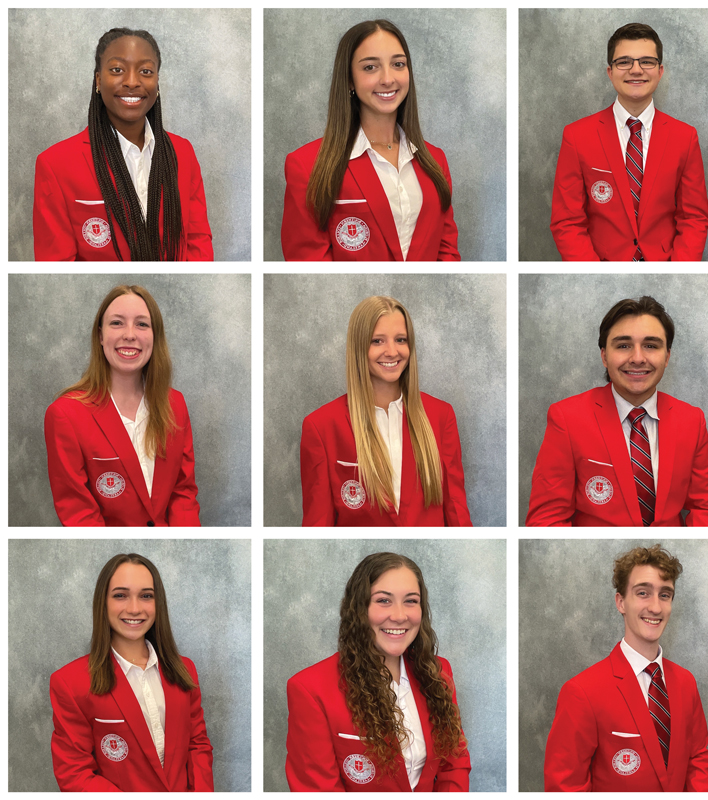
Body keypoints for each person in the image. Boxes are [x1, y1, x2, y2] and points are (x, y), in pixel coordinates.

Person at [526, 296, 708, 526]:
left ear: (667, 356)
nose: (637, 358)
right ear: (604, 356)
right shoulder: (566, 418)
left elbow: (705, 506)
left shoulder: (692, 420)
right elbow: (547, 520)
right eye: (623, 346)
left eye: (650, 345)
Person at [286, 552, 470, 791]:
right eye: (384, 600)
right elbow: (317, 791)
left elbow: (453, 764)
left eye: (411, 601)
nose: (399, 615)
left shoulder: (438, 671)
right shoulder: (310, 689)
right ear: (358, 608)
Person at [282, 20, 459, 261]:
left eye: (398, 64)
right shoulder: (306, 165)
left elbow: (446, 252)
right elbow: (308, 261)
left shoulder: (435, 160)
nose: (388, 79)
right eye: (370, 68)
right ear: (349, 80)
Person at [33, 28, 213, 261]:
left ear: (157, 81)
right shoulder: (55, 164)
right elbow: (57, 264)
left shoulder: (182, 152)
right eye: (117, 70)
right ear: (98, 79)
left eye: (146, 71)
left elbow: (197, 241)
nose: (131, 82)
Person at [545, 544, 708, 790]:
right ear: (621, 602)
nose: (655, 607)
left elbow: (698, 757)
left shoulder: (686, 682)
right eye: (643, 593)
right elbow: (564, 787)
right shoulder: (581, 692)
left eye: (665, 595)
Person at [300, 296, 472, 526]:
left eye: (401, 339)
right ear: (359, 346)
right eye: (377, 341)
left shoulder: (441, 416)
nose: (392, 351)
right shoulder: (321, 427)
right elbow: (318, 527)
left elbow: (457, 515)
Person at [50, 553, 213, 790]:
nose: (135, 608)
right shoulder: (70, 682)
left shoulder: (184, 669)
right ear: (102, 603)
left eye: (146, 596)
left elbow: (197, 745)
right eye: (120, 595)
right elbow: (74, 773)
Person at [550, 23, 708, 261]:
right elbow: (567, 222)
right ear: (610, 71)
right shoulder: (577, 136)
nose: (636, 70)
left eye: (647, 61)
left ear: (660, 70)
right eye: (624, 61)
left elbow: (694, 218)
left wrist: (675, 270)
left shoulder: (685, 137)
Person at [45, 285, 200, 526]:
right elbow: (78, 513)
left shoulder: (175, 404)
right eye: (117, 323)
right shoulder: (65, 414)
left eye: (142, 324)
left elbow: (183, 492)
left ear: (154, 336)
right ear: (100, 335)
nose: (130, 334)